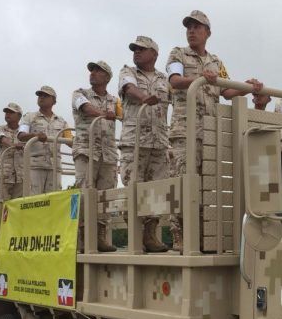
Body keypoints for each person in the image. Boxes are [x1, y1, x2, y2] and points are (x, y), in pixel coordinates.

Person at [166, 10, 263, 251]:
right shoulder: (178, 53)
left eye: (197, 27)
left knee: (206, 184)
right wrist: (199, 77)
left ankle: (201, 236)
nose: (191, 31)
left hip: (209, 133)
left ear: (208, 33)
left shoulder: (216, 62)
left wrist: (247, 88)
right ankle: (180, 235)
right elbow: (175, 81)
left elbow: (226, 91)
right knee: (182, 182)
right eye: (188, 27)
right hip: (184, 131)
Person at [118, 36, 170, 252]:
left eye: (142, 49)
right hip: (134, 141)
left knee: (157, 191)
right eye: (135, 49)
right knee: (133, 187)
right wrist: (144, 96)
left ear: (154, 54)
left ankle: (150, 235)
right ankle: (136, 236)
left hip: (158, 142)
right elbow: (129, 89)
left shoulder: (164, 79)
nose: (136, 52)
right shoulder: (128, 71)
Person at [72, 60, 120, 252]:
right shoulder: (80, 93)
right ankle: (82, 238)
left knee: (105, 196)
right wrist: (103, 113)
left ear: (107, 77)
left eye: (98, 71)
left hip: (107, 153)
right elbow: (85, 108)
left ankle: (99, 236)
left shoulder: (115, 100)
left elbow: (125, 114)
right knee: (84, 192)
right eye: (92, 71)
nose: (93, 73)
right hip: (86, 150)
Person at [18, 85, 69, 195]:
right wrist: (35, 135)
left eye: (46, 95)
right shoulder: (29, 117)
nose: (41, 97)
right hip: (35, 166)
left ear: (54, 101)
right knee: (33, 200)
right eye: (40, 95)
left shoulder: (61, 121)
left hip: (54, 167)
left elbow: (70, 140)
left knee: (54, 200)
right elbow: (21, 135)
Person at [0, 103, 24, 202]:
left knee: (20, 207)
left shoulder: (24, 131)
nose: (7, 114)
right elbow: (2, 139)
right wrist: (14, 145)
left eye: (11, 112)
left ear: (19, 115)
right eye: (6, 112)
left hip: (21, 176)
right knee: (2, 208)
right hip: (4, 176)